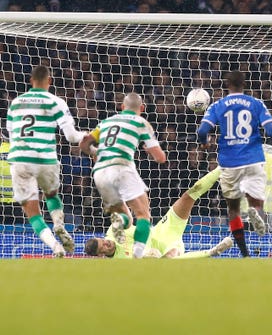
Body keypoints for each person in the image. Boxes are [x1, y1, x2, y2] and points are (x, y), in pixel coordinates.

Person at [197, 70, 272, 257]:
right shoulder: (256, 103)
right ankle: (256, 213)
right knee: (257, 202)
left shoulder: (217, 105)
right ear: (244, 85)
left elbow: (202, 130)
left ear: (227, 85)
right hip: (253, 159)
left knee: (234, 209)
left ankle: (245, 253)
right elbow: (270, 130)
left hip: (229, 163)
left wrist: (205, 142)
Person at [6, 65, 86, 257]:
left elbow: (11, 134)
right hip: (45, 158)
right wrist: (87, 136)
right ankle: (59, 224)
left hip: (20, 159)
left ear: (30, 80)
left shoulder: (15, 103)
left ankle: (55, 247)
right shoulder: (56, 101)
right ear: (49, 81)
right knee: (51, 195)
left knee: (33, 212)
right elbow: (71, 137)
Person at [80, 93, 166, 259]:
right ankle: (137, 256)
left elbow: (84, 144)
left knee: (127, 218)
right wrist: (150, 151)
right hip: (121, 167)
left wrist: (95, 152)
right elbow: (160, 158)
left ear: (121, 107)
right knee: (143, 214)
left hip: (99, 173)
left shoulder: (106, 122)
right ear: (142, 108)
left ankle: (119, 222)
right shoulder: (142, 123)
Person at [83, 170, 233, 259]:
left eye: (103, 241)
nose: (107, 243)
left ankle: (222, 168)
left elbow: (127, 219)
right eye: (103, 247)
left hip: (162, 231)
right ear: (101, 255)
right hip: (166, 250)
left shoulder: (113, 233)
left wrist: (121, 218)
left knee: (188, 196)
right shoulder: (120, 263)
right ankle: (212, 252)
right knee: (169, 260)